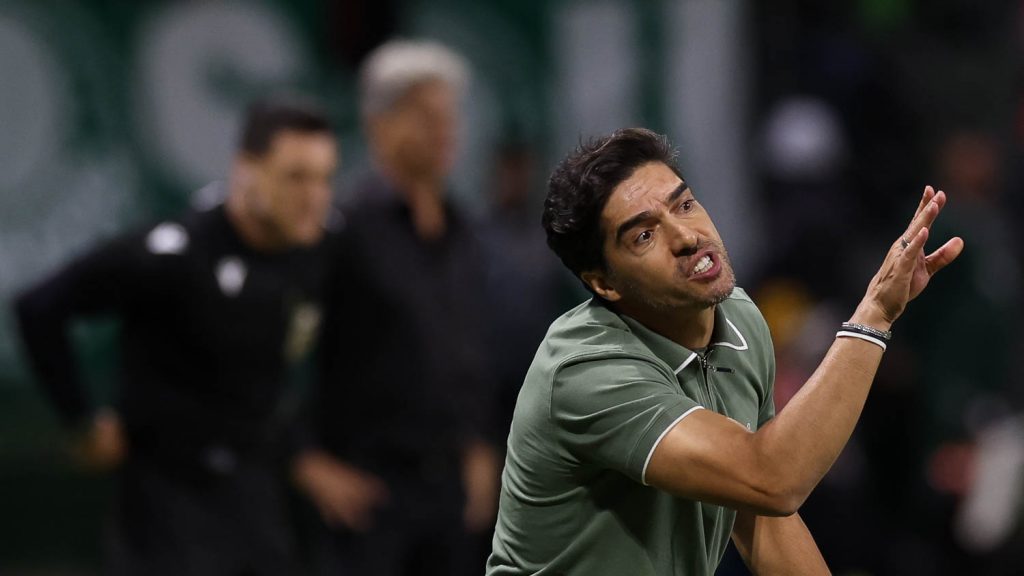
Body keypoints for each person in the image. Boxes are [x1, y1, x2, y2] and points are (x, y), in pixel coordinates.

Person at [486, 127, 964, 575]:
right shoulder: (585, 371)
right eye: (645, 235)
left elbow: (758, 510)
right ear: (603, 283)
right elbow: (772, 478)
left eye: (685, 204)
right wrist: (874, 315)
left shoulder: (737, 317)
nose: (687, 236)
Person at [13, 96, 339, 576]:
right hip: (168, 507)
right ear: (246, 169)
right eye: (295, 177)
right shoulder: (174, 255)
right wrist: (80, 418)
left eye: (324, 177)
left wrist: (302, 453)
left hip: (256, 501)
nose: (314, 196)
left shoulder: (316, 249)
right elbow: (39, 307)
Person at [293, 40, 499, 576]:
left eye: (449, 115)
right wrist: (306, 462)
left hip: (453, 497)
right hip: (368, 496)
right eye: (425, 115)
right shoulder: (343, 232)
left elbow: (472, 352)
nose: (444, 130)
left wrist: (481, 447)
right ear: (379, 125)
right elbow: (277, 352)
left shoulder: (466, 235)